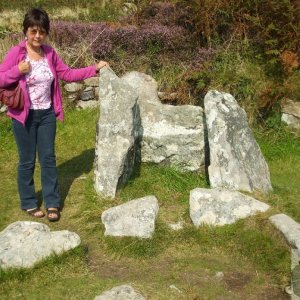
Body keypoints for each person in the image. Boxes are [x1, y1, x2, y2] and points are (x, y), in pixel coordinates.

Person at [0, 8, 108, 222]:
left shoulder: (49, 53)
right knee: (27, 161)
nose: (37, 36)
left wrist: (93, 68)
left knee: (48, 159)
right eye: (33, 31)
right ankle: (29, 202)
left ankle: (52, 203)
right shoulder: (16, 53)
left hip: (47, 114)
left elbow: (67, 74)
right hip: (24, 116)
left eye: (41, 31)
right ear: (25, 32)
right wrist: (17, 71)